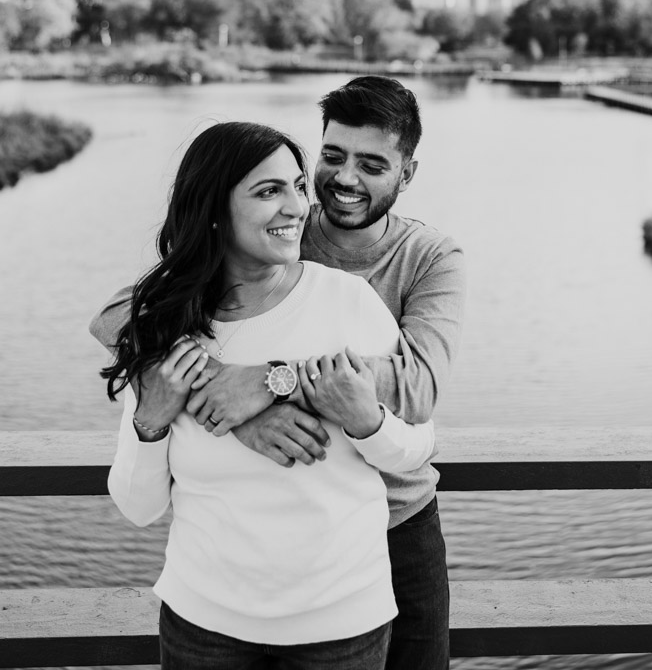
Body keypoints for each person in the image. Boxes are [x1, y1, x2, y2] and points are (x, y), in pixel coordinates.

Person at [92, 76, 465, 670]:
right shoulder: (267, 234)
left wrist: (268, 381)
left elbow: (416, 390)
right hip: (231, 589)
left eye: (372, 164)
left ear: (406, 174)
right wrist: (217, 396)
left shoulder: (426, 259)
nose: (343, 180)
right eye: (333, 156)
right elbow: (120, 316)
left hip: (394, 519)